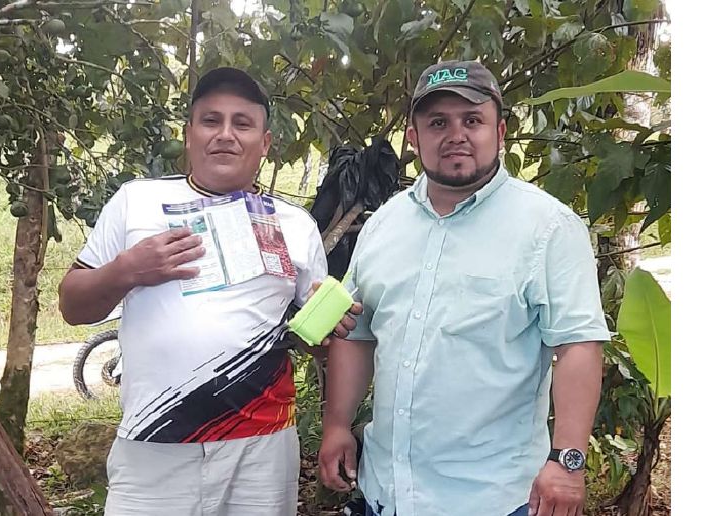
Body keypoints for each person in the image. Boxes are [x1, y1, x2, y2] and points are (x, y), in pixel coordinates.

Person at [318, 60, 611, 516]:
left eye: (472, 120)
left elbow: (578, 345)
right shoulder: (383, 225)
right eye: (438, 123)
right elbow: (356, 332)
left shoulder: (548, 227)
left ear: (501, 132)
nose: (456, 135)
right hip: (386, 492)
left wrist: (567, 461)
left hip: (492, 497)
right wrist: (337, 424)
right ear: (413, 138)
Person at [59, 67, 341, 516]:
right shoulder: (136, 202)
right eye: (211, 120)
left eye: (242, 123)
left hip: (262, 449)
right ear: (189, 134)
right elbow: (72, 305)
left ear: (265, 143)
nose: (225, 134)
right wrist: (126, 269)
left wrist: (328, 328)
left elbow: (317, 343)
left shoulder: (295, 225)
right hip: (153, 444)